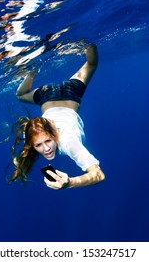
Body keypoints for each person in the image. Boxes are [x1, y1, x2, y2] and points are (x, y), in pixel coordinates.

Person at [12, 44, 105, 189]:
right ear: (32, 144)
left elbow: (99, 174)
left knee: (92, 64)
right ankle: (32, 70)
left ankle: (33, 70)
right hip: (47, 96)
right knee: (20, 96)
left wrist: (70, 183)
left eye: (48, 141)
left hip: (66, 94)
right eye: (38, 145)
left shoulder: (68, 142)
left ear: (53, 133)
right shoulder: (29, 133)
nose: (46, 149)